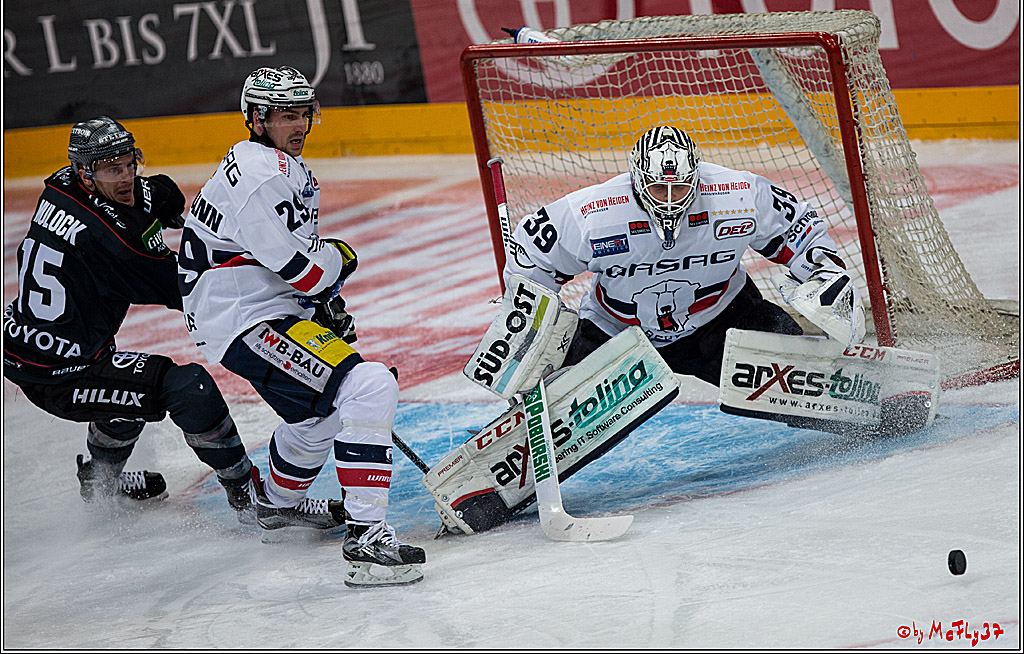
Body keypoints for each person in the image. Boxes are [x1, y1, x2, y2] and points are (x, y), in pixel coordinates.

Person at [177, 65, 424, 586]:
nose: (300, 125)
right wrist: (338, 261)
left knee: (321, 417)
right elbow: (307, 269)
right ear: (257, 119)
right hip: (245, 318)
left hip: (260, 308)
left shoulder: (277, 165)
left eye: (303, 114)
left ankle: (277, 506)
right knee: (368, 386)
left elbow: (291, 270)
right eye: (286, 116)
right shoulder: (263, 175)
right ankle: (367, 538)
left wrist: (316, 305)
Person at [3, 116, 258, 519]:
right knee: (188, 387)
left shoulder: (60, 186)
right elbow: (189, 290)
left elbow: (152, 193)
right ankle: (250, 496)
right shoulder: (116, 246)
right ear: (85, 174)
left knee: (129, 383)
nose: (125, 178)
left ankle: (100, 481)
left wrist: (164, 201)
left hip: (22, 343)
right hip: (63, 374)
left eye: (128, 163)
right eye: (110, 169)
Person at [505, 125, 863, 388]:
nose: (670, 199)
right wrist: (537, 326)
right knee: (557, 405)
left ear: (697, 175)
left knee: (812, 386)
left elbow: (797, 228)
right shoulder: (592, 212)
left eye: (681, 186)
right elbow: (531, 259)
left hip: (722, 319)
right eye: (660, 188)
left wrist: (822, 269)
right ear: (637, 178)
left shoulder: (737, 193)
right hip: (615, 331)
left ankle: (872, 396)